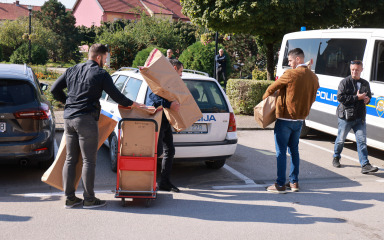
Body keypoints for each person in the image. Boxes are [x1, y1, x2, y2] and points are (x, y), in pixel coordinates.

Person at [51, 44, 144, 209]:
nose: (106, 61)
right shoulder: (101, 74)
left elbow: (54, 89)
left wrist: (68, 103)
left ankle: (70, 198)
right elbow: (117, 96)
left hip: (69, 118)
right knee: (88, 161)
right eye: (106, 57)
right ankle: (89, 199)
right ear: (99, 57)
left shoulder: (72, 69)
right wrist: (135, 105)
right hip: (86, 119)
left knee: (71, 158)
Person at [262, 48, 319, 194]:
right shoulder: (313, 77)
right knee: (294, 150)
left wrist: (264, 100)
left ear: (298, 59)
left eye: (290, 60)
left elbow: (271, 88)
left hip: (285, 118)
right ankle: (294, 182)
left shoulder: (290, 74)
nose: (289, 63)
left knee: (281, 152)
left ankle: (280, 184)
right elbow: (313, 96)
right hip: (300, 120)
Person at [332, 60, 378, 174]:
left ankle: (365, 164)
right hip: (345, 117)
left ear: (361, 70)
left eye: (357, 70)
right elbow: (340, 98)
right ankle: (336, 157)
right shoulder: (344, 82)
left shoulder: (365, 83)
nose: (354, 72)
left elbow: (368, 97)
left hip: (360, 117)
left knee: (362, 141)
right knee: (341, 140)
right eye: (352, 70)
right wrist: (357, 98)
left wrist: (367, 100)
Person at [146, 59, 182, 192]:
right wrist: (169, 104)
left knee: (170, 150)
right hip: (157, 121)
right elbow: (153, 99)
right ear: (174, 68)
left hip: (166, 121)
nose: (181, 75)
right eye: (180, 71)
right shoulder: (159, 80)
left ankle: (164, 183)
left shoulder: (172, 83)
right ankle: (148, 182)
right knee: (157, 152)